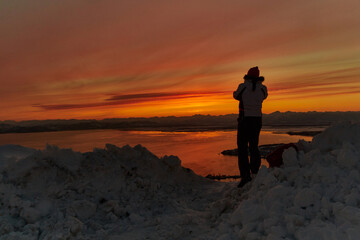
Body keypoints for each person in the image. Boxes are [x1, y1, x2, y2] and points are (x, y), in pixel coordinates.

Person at [233, 66, 268, 188]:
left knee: (242, 148)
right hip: (257, 120)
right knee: (254, 146)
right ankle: (255, 172)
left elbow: (235, 96)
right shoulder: (263, 89)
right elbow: (264, 97)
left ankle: (245, 176)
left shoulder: (242, 87)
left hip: (244, 120)